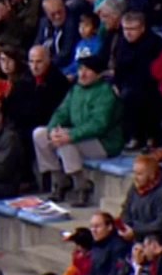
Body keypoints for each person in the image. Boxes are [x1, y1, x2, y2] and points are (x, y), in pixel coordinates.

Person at [34, 52, 121, 207]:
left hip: (103, 142)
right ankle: (59, 180)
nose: (82, 74)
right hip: (81, 136)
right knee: (39, 134)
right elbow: (61, 112)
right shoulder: (75, 90)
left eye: (87, 70)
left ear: (98, 73)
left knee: (65, 142)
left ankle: (81, 186)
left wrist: (71, 135)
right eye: (80, 69)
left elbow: (99, 124)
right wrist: (53, 130)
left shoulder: (105, 92)